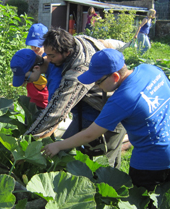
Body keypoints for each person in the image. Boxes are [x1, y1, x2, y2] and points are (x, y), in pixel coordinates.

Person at [42, 49, 170, 209]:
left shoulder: (121, 99)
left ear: (114, 76)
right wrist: (158, 121)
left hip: (150, 159)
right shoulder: (150, 70)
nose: (95, 86)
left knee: (141, 203)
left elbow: (90, 134)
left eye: (98, 81)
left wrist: (58, 145)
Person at [25, 28, 126, 167]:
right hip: (92, 108)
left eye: (52, 56)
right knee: (77, 153)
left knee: (103, 163)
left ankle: (110, 182)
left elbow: (57, 110)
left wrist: (28, 138)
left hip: (110, 114)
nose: (48, 59)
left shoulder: (77, 72)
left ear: (66, 52)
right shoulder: (79, 40)